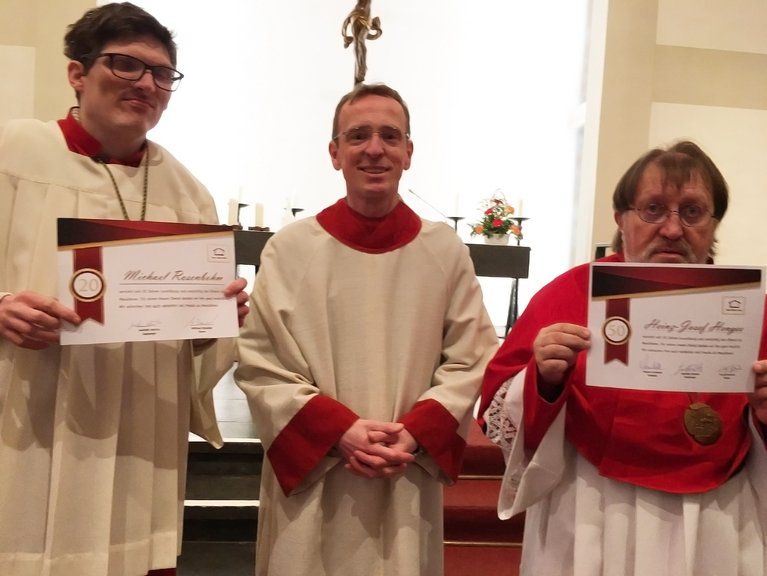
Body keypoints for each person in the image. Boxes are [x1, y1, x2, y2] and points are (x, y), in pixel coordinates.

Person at [0, 3, 248, 575]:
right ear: (77, 73)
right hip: (30, 418)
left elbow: (198, 349)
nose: (146, 84)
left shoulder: (188, 195)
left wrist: (215, 324)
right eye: (125, 65)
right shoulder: (16, 153)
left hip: (141, 431)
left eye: (162, 74)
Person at [234, 82, 498, 576]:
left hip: (405, 472)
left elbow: (473, 357)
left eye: (389, 136)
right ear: (334, 153)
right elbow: (260, 362)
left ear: (409, 153)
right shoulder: (290, 249)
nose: (374, 149)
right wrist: (340, 432)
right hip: (318, 476)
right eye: (358, 136)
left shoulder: (445, 253)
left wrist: (414, 435)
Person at [478, 140, 767, 576]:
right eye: (653, 209)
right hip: (594, 507)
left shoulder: (750, 309)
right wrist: (543, 380)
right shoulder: (569, 293)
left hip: (717, 510)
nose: (672, 229)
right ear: (622, 218)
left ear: (713, 223)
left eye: (692, 212)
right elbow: (499, 406)